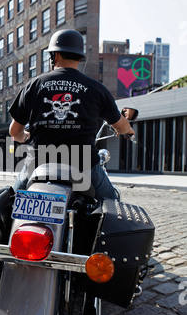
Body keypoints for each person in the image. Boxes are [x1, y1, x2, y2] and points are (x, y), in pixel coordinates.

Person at [9, 29, 135, 200]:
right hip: (83, 167)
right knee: (112, 204)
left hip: (38, 164)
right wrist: (128, 130)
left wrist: (24, 137)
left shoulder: (34, 85)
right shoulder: (96, 88)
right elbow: (121, 125)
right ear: (79, 57)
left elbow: (14, 132)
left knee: (11, 204)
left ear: (55, 55)